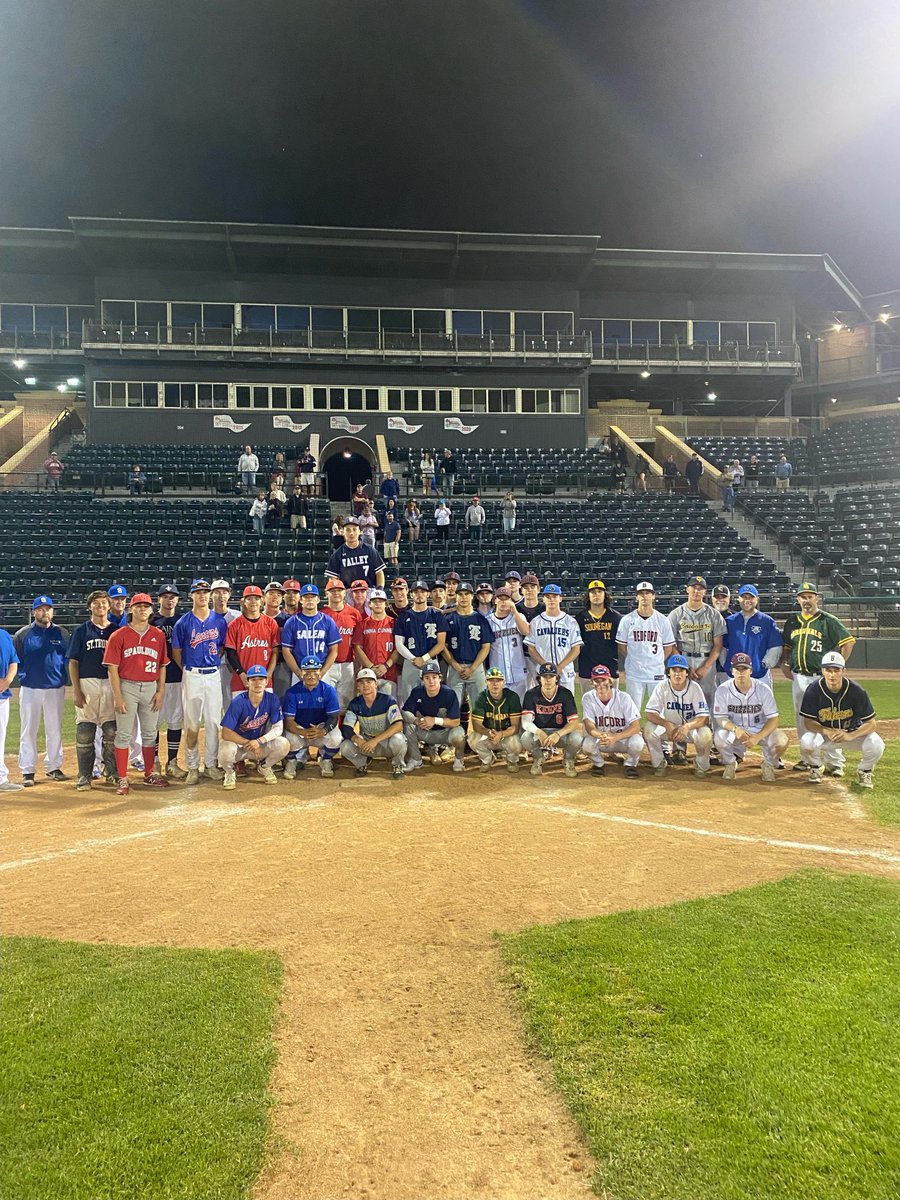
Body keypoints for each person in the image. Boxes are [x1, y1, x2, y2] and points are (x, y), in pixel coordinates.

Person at [781, 582, 855, 772]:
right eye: (803, 597)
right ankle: (808, 759)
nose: (806, 600)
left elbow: (848, 642)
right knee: (802, 718)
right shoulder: (792, 621)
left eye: (810, 596)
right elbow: (787, 647)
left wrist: (838, 665)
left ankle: (835, 762)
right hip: (799, 677)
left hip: (821, 677)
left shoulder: (828, 620)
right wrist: (785, 663)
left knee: (829, 717)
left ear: (817, 599)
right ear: (798, 599)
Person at [103, 593, 170, 795]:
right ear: (131, 609)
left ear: (151, 610)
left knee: (149, 733)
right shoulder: (119, 635)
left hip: (150, 687)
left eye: (146, 606)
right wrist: (118, 696)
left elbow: (162, 665)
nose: (142, 609)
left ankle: (149, 774)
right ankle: (122, 778)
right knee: (124, 734)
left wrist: (161, 691)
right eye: (138, 606)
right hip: (127, 686)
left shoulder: (158, 635)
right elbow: (112, 668)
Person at [171, 579, 229, 785]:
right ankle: (193, 766)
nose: (202, 595)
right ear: (192, 596)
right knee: (192, 724)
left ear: (209, 595)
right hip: (192, 675)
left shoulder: (219, 621)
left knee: (213, 722)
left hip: (213, 675)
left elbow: (221, 647)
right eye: (198, 592)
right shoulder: (183, 622)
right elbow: (176, 651)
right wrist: (187, 670)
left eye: (205, 592)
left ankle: (211, 765)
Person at [799, 651, 884, 788]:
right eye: (828, 670)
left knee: (876, 743)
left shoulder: (857, 691)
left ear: (844, 671)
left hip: (851, 734)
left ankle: (865, 770)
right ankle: (816, 766)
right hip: (826, 736)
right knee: (806, 741)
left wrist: (851, 735)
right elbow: (808, 722)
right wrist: (827, 731)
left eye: (836, 670)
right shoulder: (813, 690)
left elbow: (871, 724)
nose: (832, 675)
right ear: (822, 671)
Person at [15, 595, 69, 787]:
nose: (44, 612)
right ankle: (28, 770)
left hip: (55, 688)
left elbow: (67, 659)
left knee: (54, 729)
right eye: (40, 609)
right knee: (28, 729)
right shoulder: (23, 634)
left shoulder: (62, 633)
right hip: (30, 688)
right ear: (34, 612)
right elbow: (16, 659)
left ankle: (53, 766)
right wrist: (24, 676)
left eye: (47, 609)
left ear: (52, 611)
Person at [67, 589, 117, 790]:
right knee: (85, 732)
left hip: (110, 683)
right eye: (96, 603)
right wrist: (76, 690)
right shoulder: (82, 630)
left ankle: (112, 773)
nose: (100, 606)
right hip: (87, 682)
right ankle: (84, 775)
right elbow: (73, 662)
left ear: (109, 606)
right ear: (90, 607)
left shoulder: (116, 631)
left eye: (104, 602)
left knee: (111, 732)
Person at [713, 652, 789, 782]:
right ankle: (730, 763)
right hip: (736, 730)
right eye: (737, 669)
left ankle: (768, 764)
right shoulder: (723, 689)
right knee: (719, 736)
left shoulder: (763, 689)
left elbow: (774, 719)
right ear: (732, 671)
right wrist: (735, 729)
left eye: (745, 669)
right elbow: (720, 718)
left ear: (751, 671)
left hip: (759, 728)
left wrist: (758, 737)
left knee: (781, 740)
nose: (741, 672)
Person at [218, 665, 290, 788]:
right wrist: (249, 743)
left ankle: (264, 767)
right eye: (253, 679)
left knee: (283, 744)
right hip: (239, 746)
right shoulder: (238, 702)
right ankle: (230, 772)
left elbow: (278, 728)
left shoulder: (272, 699)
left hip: (259, 745)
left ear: (266, 681)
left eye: (261, 679)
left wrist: (259, 741)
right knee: (225, 750)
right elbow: (226, 733)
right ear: (247, 683)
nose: (257, 683)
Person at [644, 654, 713, 778]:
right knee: (649, 729)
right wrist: (666, 724)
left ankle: (701, 766)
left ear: (687, 673)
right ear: (668, 673)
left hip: (690, 730)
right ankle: (659, 763)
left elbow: (704, 718)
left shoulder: (694, 688)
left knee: (705, 734)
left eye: (681, 670)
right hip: (669, 729)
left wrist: (687, 726)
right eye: (674, 670)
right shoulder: (662, 687)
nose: (677, 674)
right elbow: (650, 713)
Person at [667, 575, 726, 708]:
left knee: (708, 699)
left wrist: (705, 667)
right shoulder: (676, 614)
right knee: (683, 698)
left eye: (700, 588)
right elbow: (671, 644)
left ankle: (709, 722)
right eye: (694, 587)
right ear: (687, 589)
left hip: (707, 660)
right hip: (683, 658)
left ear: (705, 592)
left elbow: (718, 646)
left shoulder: (714, 615)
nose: (696, 591)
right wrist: (684, 665)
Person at [616, 581, 677, 710]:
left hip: (656, 672)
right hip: (634, 673)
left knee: (658, 710)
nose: (644, 596)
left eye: (648, 593)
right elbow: (621, 645)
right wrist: (633, 658)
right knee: (632, 710)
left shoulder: (662, 620)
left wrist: (657, 660)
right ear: (637, 597)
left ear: (653, 596)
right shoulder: (627, 620)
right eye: (641, 593)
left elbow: (668, 647)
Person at [340, 668, 407, 779]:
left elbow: (398, 725)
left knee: (399, 739)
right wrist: (359, 740)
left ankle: (398, 764)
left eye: (369, 681)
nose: (365, 685)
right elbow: (347, 728)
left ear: (376, 684)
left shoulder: (388, 700)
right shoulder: (355, 704)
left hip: (387, 743)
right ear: (358, 686)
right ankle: (362, 763)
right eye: (361, 682)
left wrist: (375, 741)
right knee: (345, 746)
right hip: (367, 744)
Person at [282, 657, 343, 778]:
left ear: (320, 672)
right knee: (287, 739)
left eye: (315, 671)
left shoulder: (329, 690)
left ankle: (326, 760)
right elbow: (288, 721)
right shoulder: (292, 692)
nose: (311, 675)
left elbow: (333, 718)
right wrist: (302, 732)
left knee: (336, 738)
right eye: (307, 671)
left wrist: (323, 730)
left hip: (320, 729)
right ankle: (292, 761)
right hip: (300, 731)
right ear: (301, 672)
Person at [402, 660, 467, 771]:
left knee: (459, 734)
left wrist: (434, 720)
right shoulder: (417, 692)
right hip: (425, 731)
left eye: (434, 677)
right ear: (422, 680)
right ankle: (416, 759)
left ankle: (459, 759)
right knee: (408, 725)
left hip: (445, 733)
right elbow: (405, 711)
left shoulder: (449, 694)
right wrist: (416, 720)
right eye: (427, 678)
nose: (431, 681)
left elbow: (455, 721)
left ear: (440, 678)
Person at [581, 664, 644, 778]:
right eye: (596, 681)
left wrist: (615, 737)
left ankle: (630, 764)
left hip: (622, 740)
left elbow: (636, 727)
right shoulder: (588, 698)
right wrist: (602, 735)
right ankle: (598, 764)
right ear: (592, 683)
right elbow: (589, 726)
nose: (600, 684)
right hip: (602, 740)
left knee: (637, 743)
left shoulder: (624, 698)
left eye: (603, 680)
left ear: (610, 681)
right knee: (587, 745)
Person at [520, 663, 583, 777]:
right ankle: (538, 757)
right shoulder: (531, 694)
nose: (548, 680)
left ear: (556, 678)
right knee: (525, 738)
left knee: (577, 738)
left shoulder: (565, 694)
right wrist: (538, 732)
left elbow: (574, 723)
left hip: (560, 733)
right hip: (540, 733)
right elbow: (525, 722)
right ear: (539, 679)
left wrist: (558, 734)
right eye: (544, 677)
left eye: (551, 676)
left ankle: (568, 758)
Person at [151, 583, 187, 780]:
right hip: (155, 679)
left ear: (177, 600)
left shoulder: (183, 620)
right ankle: (154, 761)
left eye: (172, 596)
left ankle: (172, 762)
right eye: (165, 596)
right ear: (159, 599)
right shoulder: (151, 620)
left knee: (175, 720)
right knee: (153, 723)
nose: (169, 599)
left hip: (177, 677)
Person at [394, 580, 449, 702]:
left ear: (428, 594)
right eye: (416, 592)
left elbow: (441, 644)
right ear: (411, 594)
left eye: (423, 592)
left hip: (431, 660)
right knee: (409, 700)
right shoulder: (403, 617)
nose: (419, 594)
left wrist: (423, 658)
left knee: (434, 698)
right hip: (410, 662)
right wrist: (413, 659)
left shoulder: (437, 615)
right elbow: (399, 644)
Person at [442, 582, 494, 709]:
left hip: (476, 667)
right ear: (456, 596)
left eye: (466, 594)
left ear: (472, 596)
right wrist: (456, 665)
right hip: (455, 668)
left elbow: (486, 647)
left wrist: (472, 668)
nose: (463, 597)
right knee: (452, 707)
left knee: (480, 708)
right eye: (460, 594)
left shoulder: (481, 619)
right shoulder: (449, 619)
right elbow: (443, 647)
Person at [525, 584, 583, 693]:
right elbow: (531, 648)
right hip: (543, 674)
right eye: (548, 596)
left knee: (567, 703)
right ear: (543, 599)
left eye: (554, 596)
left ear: (560, 598)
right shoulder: (536, 622)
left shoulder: (570, 621)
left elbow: (576, 649)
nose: (551, 599)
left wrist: (560, 667)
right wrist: (545, 665)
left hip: (565, 672)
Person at [224, 584, 281, 694]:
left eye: (256, 598)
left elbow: (275, 652)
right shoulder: (234, 625)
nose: (253, 602)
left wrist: (268, 675)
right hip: (241, 681)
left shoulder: (271, 623)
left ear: (262, 601)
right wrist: (242, 675)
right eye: (249, 598)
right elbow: (230, 654)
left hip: (264, 680)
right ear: (244, 601)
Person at [723, 585, 783, 686]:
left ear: (757, 599)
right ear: (739, 599)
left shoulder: (767, 621)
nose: (747, 600)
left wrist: (763, 665)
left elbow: (775, 646)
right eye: (744, 597)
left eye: (751, 597)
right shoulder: (730, 621)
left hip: (759, 676)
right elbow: (723, 647)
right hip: (734, 675)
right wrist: (727, 663)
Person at [280, 584, 341, 682]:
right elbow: (286, 651)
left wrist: (322, 672)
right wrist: (299, 673)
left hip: (321, 670)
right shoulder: (291, 622)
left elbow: (334, 650)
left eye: (312, 597)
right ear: (301, 600)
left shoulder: (328, 621)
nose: (309, 600)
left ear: (318, 599)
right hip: (300, 670)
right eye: (306, 597)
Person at [467, 666, 523, 774]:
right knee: (472, 739)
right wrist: (488, 732)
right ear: (486, 682)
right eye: (491, 680)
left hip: (506, 736)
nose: (495, 684)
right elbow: (476, 725)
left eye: (498, 680)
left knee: (516, 742)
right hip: (489, 735)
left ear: (503, 682)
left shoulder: (512, 697)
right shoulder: (481, 697)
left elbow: (515, 727)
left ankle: (512, 761)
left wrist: (501, 734)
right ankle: (487, 759)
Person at [575, 580, 622, 696]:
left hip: (610, 667)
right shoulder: (580, 618)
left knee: (612, 702)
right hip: (587, 668)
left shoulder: (616, 617)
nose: (596, 595)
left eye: (600, 592)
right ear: (588, 596)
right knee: (588, 702)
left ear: (605, 595)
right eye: (593, 592)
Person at [322, 579, 363, 708]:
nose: (336, 593)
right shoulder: (321, 614)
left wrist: (358, 665)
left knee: (346, 704)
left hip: (348, 663)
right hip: (327, 664)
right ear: (326, 593)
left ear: (345, 593)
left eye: (339, 590)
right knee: (326, 703)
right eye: (332, 591)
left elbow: (358, 642)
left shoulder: (354, 613)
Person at [487, 586, 531, 701]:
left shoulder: (518, 617)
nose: (503, 602)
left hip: (518, 672)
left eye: (506, 599)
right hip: (497, 675)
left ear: (511, 601)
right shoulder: (488, 621)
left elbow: (526, 631)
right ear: (495, 600)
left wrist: (515, 611)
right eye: (500, 598)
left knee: (520, 708)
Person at [353, 588, 398, 695]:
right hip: (368, 675)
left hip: (389, 674)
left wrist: (386, 666)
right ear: (369, 604)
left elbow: (399, 647)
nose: (377, 604)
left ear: (386, 604)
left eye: (381, 601)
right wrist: (371, 667)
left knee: (389, 704)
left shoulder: (394, 623)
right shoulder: (362, 624)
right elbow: (357, 648)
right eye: (375, 601)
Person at [325, 516, 386, 589]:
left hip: (368, 590)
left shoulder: (370, 550)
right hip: (348, 591)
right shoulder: (337, 554)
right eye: (348, 530)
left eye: (354, 529)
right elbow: (333, 578)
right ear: (342, 532)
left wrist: (380, 589)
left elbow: (379, 572)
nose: (351, 533)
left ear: (360, 531)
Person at [211, 578, 240, 711]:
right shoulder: (205, 616)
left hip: (233, 664)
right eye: (217, 592)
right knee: (213, 704)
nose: (221, 596)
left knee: (231, 701)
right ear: (211, 595)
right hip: (212, 665)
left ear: (229, 594)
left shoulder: (237, 616)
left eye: (224, 592)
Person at [0, 624, 21, 792]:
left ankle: (0, 778)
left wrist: (7, 680)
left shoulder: (4, 635)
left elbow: (14, 661)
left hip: (2, 696)